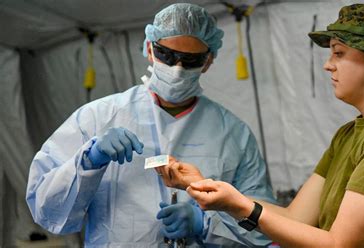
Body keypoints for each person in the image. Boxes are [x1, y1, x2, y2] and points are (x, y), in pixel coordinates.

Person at [158, 4, 364, 247]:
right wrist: (204, 187)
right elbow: (295, 218)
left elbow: (342, 245)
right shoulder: (350, 134)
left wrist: (240, 206)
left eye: (338, 53)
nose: (328, 64)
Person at [25, 3, 275, 247]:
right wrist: (88, 160)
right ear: (149, 48)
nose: (177, 69)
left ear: (208, 61)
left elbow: (266, 226)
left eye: (190, 60)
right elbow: (45, 208)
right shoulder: (98, 117)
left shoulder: (233, 134)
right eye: (166, 55)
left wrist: (206, 224)